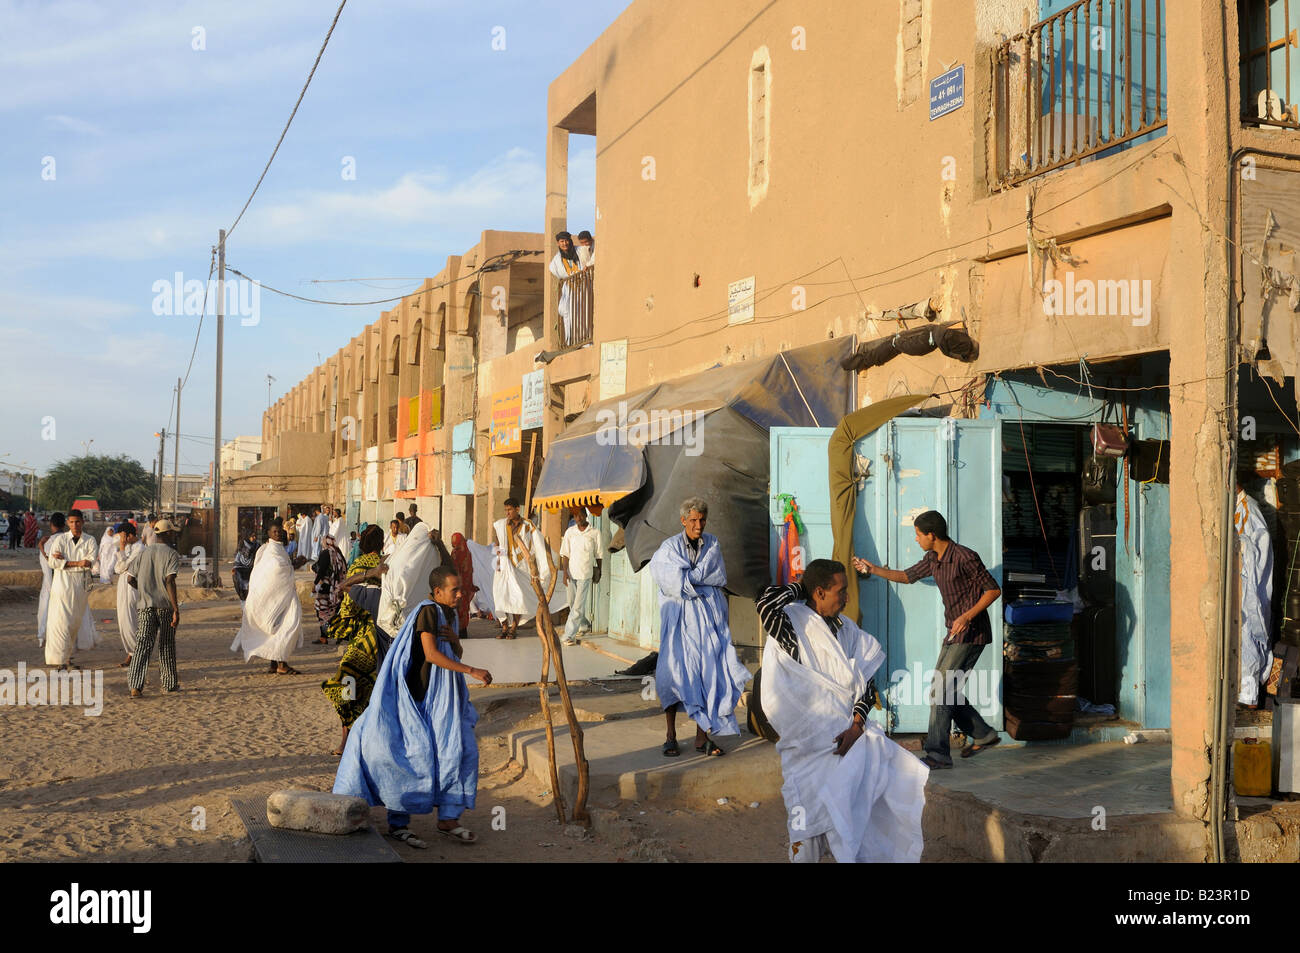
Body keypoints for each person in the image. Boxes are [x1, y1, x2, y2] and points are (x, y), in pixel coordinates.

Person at [756, 559, 927, 863]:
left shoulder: (847, 629)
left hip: (847, 744)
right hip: (806, 751)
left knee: (853, 828)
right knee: (804, 832)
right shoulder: (793, 627)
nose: (847, 597)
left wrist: (858, 725)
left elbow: (865, 682)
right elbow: (765, 602)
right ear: (819, 592)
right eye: (841, 590)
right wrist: (800, 586)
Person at [334, 565, 492, 848]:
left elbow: (450, 650)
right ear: (438, 591)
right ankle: (398, 825)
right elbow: (431, 654)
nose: (459, 594)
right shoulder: (429, 611)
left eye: (460, 589)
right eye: (454, 590)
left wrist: (456, 642)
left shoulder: (449, 613)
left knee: (458, 751)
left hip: (439, 702)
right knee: (408, 756)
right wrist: (471, 670)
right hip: (414, 699)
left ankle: (448, 819)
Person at [854, 510, 1002, 769]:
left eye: (918, 535)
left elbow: (993, 589)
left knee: (941, 691)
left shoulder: (965, 557)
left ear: (932, 535)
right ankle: (983, 733)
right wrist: (872, 568)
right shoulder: (933, 558)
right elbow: (906, 576)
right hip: (954, 632)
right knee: (945, 691)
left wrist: (967, 616)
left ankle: (938, 755)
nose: (916, 539)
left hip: (972, 633)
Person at [648, 497, 752, 757]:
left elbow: (715, 575)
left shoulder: (712, 543)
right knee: (672, 674)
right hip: (678, 622)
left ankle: (701, 736)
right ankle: (670, 735)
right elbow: (669, 580)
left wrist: (687, 579)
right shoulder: (668, 548)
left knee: (708, 672)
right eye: (693, 520)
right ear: (683, 521)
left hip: (707, 621)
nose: (698, 524)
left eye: (702, 519)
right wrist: (695, 580)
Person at [322, 524, 390, 755]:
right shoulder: (389, 562)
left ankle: (346, 741)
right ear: (381, 544)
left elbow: (349, 604)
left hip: (364, 636)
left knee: (347, 685)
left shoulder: (360, 565)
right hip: (386, 631)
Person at [231, 522, 303, 675]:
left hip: (282, 597)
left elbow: (284, 567)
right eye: (274, 531)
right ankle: (281, 665)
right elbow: (276, 571)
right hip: (274, 598)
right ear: (269, 534)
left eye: (279, 531)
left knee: (279, 629)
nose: (278, 534)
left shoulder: (279, 549)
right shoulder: (268, 551)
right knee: (284, 628)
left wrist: (292, 565)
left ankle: (274, 664)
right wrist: (294, 565)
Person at [126, 519, 182, 697]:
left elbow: (130, 579)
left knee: (142, 644)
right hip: (165, 606)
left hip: (145, 606)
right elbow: (169, 581)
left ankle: (135, 685)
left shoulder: (143, 553)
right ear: (168, 534)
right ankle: (169, 683)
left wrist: (144, 590)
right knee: (166, 644)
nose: (174, 534)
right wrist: (176, 609)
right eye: (172, 532)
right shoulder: (172, 554)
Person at [492, 497, 563, 639]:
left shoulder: (528, 525)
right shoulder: (501, 525)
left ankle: (513, 628)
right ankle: (504, 626)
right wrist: (497, 559)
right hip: (504, 566)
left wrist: (542, 568)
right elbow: (497, 544)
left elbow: (539, 545)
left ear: (517, 509)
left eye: (510, 510)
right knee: (499, 596)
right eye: (506, 510)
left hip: (521, 567)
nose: (507, 513)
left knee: (518, 597)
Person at [44, 509, 100, 670]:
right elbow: (53, 563)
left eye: (77, 522)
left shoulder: (90, 540)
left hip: (80, 585)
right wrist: (76, 563)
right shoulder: (61, 540)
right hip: (62, 585)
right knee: (60, 621)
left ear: (82, 522)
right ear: (68, 523)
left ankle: (67, 658)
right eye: (72, 522)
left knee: (74, 622)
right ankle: (59, 660)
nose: (75, 525)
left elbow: (89, 562)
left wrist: (67, 562)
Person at [1235, 484, 1274, 709]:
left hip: (1250, 581)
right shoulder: (1238, 509)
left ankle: (1249, 697)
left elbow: (1261, 541)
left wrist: (1243, 548)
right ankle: (1243, 693)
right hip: (1241, 580)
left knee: (1248, 631)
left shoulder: (1249, 508)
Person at [559, 507, 603, 646]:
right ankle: (584, 625)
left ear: (585, 516)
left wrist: (599, 571)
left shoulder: (595, 533)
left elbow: (599, 554)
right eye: (575, 516)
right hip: (571, 573)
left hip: (585, 573)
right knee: (572, 603)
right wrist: (564, 572)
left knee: (577, 606)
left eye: (580, 516)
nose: (577, 519)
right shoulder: (570, 532)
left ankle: (568, 635)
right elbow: (565, 554)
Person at [113, 522, 143, 669]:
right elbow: (118, 568)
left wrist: (122, 548)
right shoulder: (130, 547)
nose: (121, 540)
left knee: (130, 620)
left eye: (123, 537)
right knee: (123, 620)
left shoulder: (139, 549)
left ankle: (136, 653)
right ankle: (132, 653)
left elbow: (124, 566)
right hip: (123, 585)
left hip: (132, 586)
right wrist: (123, 549)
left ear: (129, 535)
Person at [549, 230, 585, 344]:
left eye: (566, 241)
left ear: (570, 241)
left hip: (584, 286)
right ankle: (572, 340)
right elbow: (555, 270)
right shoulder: (556, 260)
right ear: (558, 243)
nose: (565, 244)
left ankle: (583, 339)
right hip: (569, 288)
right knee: (566, 311)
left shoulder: (580, 251)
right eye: (562, 241)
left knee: (582, 314)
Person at [312, 533, 348, 644]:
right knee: (335, 610)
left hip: (326, 587)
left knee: (321, 611)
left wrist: (315, 583)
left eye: (323, 540)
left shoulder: (325, 553)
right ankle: (340, 635)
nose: (322, 542)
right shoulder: (339, 553)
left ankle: (324, 636)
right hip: (337, 588)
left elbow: (321, 570)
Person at [449, 532, 476, 633]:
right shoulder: (468, 552)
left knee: (457, 606)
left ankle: (458, 630)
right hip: (466, 585)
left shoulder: (455, 553)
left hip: (458, 585)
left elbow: (454, 569)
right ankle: (463, 629)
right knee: (464, 607)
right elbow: (470, 570)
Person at [231, 528, 259, 601]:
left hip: (253, 570)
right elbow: (237, 562)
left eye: (255, 536)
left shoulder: (257, 546)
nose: (254, 538)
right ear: (248, 537)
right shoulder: (242, 546)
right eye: (252, 536)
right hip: (241, 570)